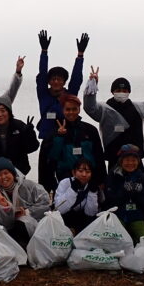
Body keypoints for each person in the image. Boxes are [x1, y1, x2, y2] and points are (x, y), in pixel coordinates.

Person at [82, 65, 144, 173]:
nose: (121, 92)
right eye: (118, 90)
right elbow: (89, 108)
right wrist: (92, 85)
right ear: (112, 91)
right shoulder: (105, 110)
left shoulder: (138, 108)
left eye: (124, 90)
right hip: (113, 157)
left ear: (129, 92)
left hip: (135, 158)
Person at [35, 30, 88, 191]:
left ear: (64, 81)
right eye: (53, 79)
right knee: (45, 179)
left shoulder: (68, 95)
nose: (56, 81)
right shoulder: (43, 94)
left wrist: (80, 55)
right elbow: (42, 74)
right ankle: (46, 208)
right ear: (49, 81)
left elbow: (77, 79)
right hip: (48, 141)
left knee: (65, 177)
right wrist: (44, 52)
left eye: (60, 78)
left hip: (65, 141)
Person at [48, 94, 107, 190]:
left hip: (89, 176)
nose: (71, 112)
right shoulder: (55, 132)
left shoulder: (90, 130)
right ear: (63, 110)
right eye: (68, 109)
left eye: (74, 109)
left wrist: (102, 180)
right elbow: (53, 158)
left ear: (79, 109)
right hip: (66, 178)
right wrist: (60, 137)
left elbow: (99, 157)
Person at [0, 157, 51, 248]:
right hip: (12, 233)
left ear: (13, 174)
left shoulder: (29, 186)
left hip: (36, 228)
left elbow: (45, 203)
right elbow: (4, 224)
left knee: (21, 223)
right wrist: (6, 208)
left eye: (6, 173)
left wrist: (27, 212)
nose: (3, 177)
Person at [0, 96, 39, 180]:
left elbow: (32, 148)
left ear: (9, 112)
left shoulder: (19, 126)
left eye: (3, 111)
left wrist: (30, 134)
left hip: (19, 173)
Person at [105, 145, 144, 241]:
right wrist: (124, 191)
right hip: (119, 215)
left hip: (136, 215)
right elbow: (110, 199)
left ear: (138, 161)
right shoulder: (113, 175)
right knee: (116, 240)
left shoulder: (141, 176)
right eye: (127, 160)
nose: (130, 163)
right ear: (121, 161)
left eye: (133, 160)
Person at [55, 158, 101, 233]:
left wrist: (92, 193)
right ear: (74, 172)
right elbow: (60, 209)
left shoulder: (91, 185)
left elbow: (91, 213)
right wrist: (72, 190)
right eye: (80, 171)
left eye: (88, 172)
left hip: (82, 221)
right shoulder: (65, 183)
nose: (84, 174)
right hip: (64, 219)